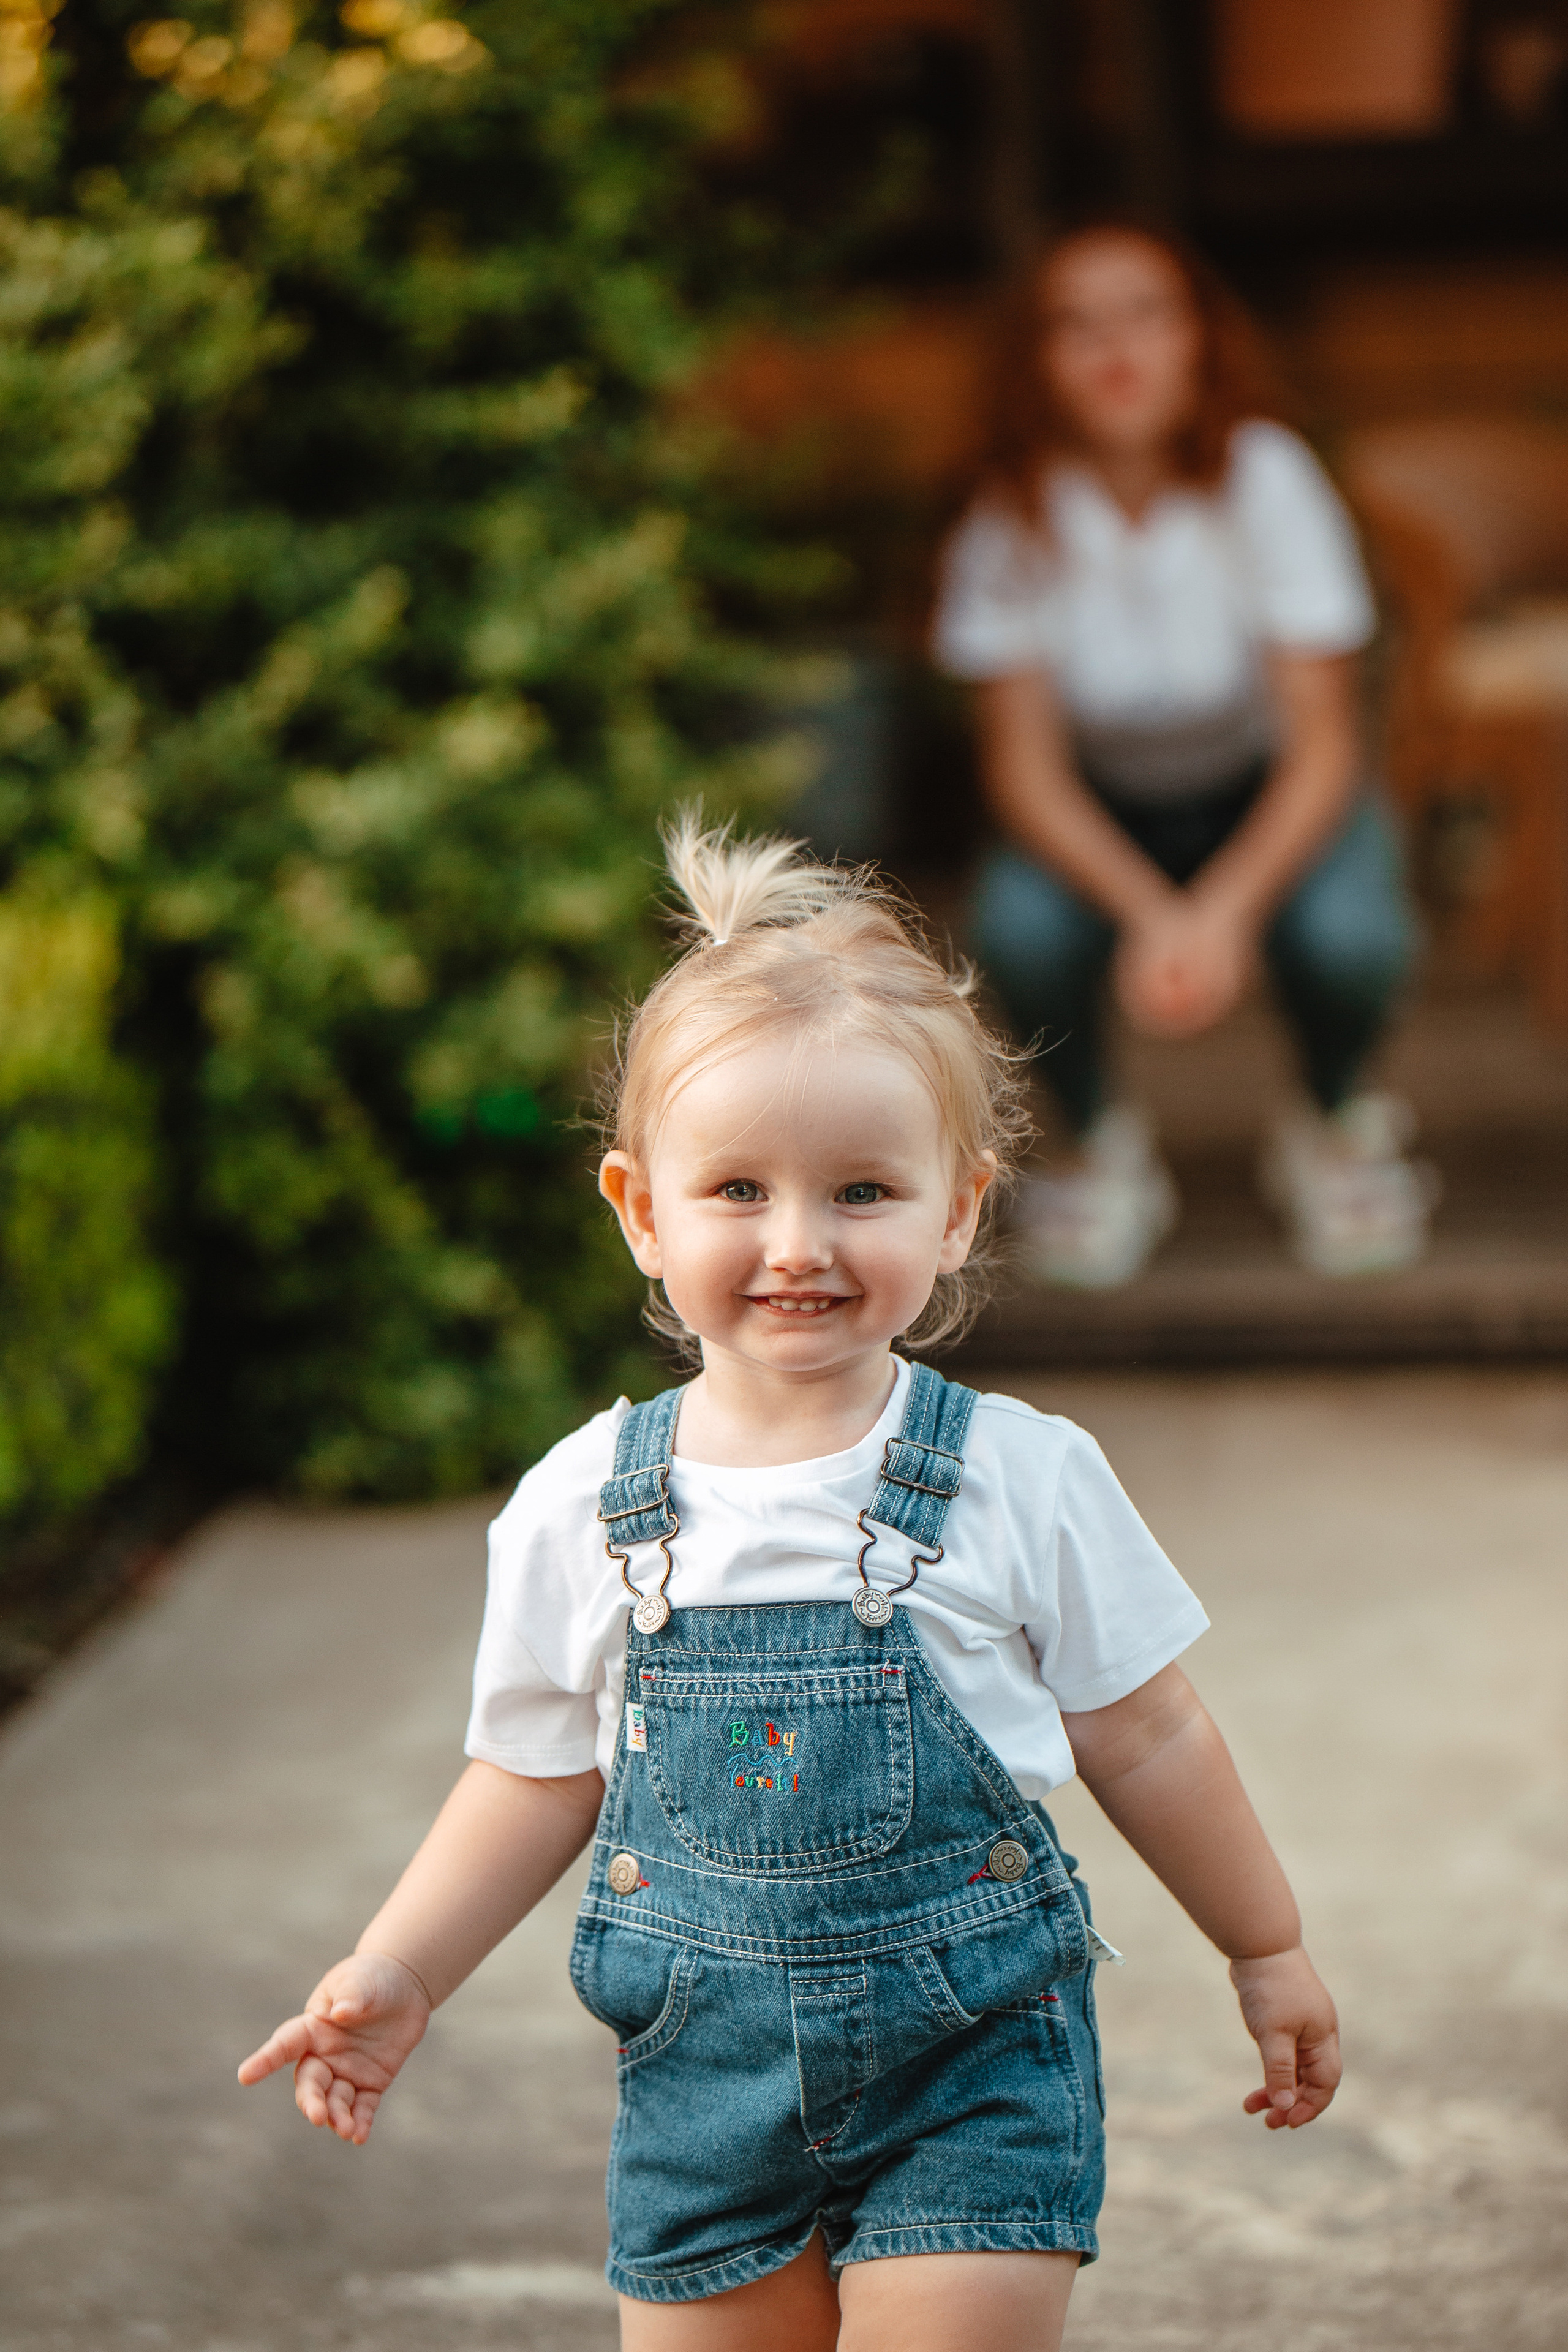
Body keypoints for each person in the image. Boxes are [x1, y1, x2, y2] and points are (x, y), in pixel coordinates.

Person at [239, 818, 1341, 2352]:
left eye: (863, 1193)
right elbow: (530, 1774)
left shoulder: (1019, 1478)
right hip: (704, 2094)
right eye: (738, 1190)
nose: (797, 1245)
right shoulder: (581, 1506)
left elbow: (1147, 1732)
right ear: (640, 1208)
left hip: (971, 2071)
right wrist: (400, 1968)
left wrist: (1263, 1941)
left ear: (958, 1206)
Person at [933, 221, 1431, 1286]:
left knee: (1351, 937)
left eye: (1146, 314)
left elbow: (1325, 742)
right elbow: (1022, 768)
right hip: (1099, 805)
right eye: (1077, 324)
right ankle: (1098, 1139)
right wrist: (1153, 909)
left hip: (1270, 789)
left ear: (1200, 335)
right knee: (1017, 931)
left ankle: (1334, 1116)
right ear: (1035, 358)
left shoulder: (1267, 479)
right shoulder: (1008, 513)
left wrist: (1226, 909)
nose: (1116, 348)